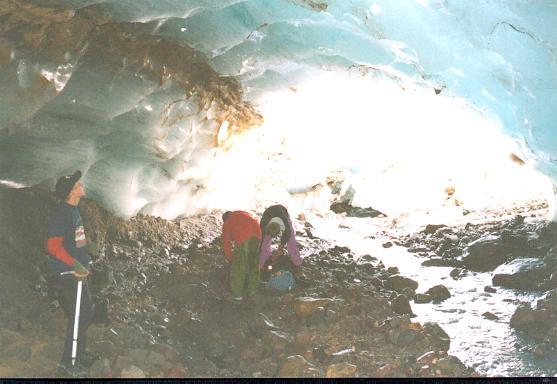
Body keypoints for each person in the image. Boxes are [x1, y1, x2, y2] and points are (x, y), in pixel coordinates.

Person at [46, 170, 95, 374]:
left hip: (78, 271)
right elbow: (52, 246)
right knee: (80, 315)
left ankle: (78, 354)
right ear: (71, 192)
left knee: (86, 311)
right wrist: (75, 264)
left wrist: (87, 252)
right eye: (77, 185)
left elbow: (76, 241)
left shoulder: (74, 211)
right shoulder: (62, 213)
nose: (81, 185)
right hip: (68, 272)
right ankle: (70, 364)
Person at [221, 210, 262, 300]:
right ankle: (252, 291)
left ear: (225, 219)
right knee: (253, 264)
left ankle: (237, 295)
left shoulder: (227, 222)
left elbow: (226, 243)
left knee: (239, 266)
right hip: (257, 234)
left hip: (243, 236)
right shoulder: (241, 214)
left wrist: (230, 259)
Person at [259, 204, 302, 282]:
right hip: (268, 213)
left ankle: (297, 262)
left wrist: (281, 246)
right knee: (265, 242)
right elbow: (261, 242)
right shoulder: (264, 224)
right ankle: (262, 262)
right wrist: (260, 262)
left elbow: (287, 236)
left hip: (282, 211)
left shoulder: (286, 225)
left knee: (291, 242)